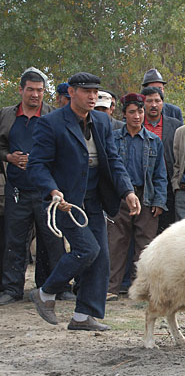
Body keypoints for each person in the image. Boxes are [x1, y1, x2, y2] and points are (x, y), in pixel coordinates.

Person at [28, 72, 140, 331]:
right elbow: (37, 166)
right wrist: (53, 191)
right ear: (71, 93)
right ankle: (45, 293)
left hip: (95, 199)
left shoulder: (102, 121)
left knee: (100, 256)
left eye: (95, 92)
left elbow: (113, 160)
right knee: (87, 249)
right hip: (66, 201)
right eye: (87, 91)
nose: (92, 97)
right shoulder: (51, 123)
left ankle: (82, 316)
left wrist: (128, 191)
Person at [0, 67, 73, 305]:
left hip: (47, 191)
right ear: (21, 90)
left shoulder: (55, 116)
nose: (35, 95)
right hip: (17, 190)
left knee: (52, 238)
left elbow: (66, 148)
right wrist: (9, 157)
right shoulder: (6, 116)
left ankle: (56, 286)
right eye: (30, 90)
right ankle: (11, 288)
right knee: (14, 240)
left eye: (39, 90)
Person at [107, 93, 166, 297]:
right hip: (120, 196)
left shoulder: (153, 141)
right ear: (124, 114)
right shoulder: (114, 139)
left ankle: (140, 289)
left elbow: (160, 174)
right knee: (116, 243)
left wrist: (159, 200)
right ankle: (111, 288)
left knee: (145, 244)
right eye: (132, 112)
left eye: (140, 112)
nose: (137, 116)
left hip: (146, 196)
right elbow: (109, 172)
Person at [141, 86, 183, 232]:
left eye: (157, 101)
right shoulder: (136, 124)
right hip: (143, 184)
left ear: (162, 103)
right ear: (143, 104)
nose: (153, 105)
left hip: (168, 184)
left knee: (168, 228)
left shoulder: (175, 125)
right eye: (149, 101)